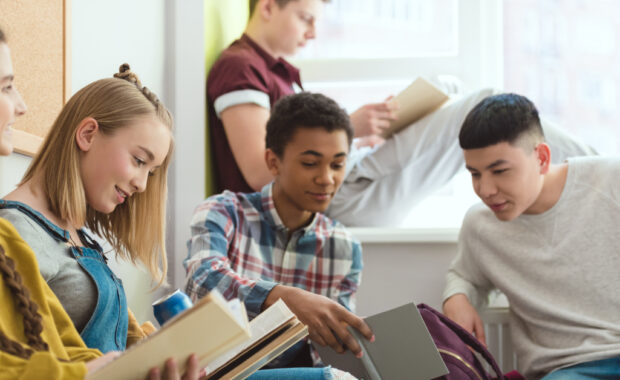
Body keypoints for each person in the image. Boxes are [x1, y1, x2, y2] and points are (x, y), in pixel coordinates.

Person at [207, 0, 596, 227]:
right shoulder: (241, 68)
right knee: (486, 100)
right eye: (306, 18)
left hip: (349, 184)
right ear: (270, 7)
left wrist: (368, 133)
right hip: (335, 199)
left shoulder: (275, 73)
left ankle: (596, 172)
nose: (312, 34)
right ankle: (599, 168)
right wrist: (350, 128)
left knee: (451, 92)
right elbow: (261, 173)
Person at [0, 27, 199, 380]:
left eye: (151, 172)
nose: (141, 184)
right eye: (140, 161)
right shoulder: (16, 234)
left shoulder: (79, 237)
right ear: (88, 134)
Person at [185, 92, 374, 370]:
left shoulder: (345, 248)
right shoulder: (223, 212)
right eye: (310, 163)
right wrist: (281, 298)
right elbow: (202, 281)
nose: (326, 179)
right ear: (273, 162)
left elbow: (332, 352)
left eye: (337, 164)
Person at [441, 93, 620, 380]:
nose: (485, 189)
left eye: (499, 171)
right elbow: (464, 274)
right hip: (567, 370)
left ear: (542, 158)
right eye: (475, 174)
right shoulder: (480, 225)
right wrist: (457, 297)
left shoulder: (611, 181)